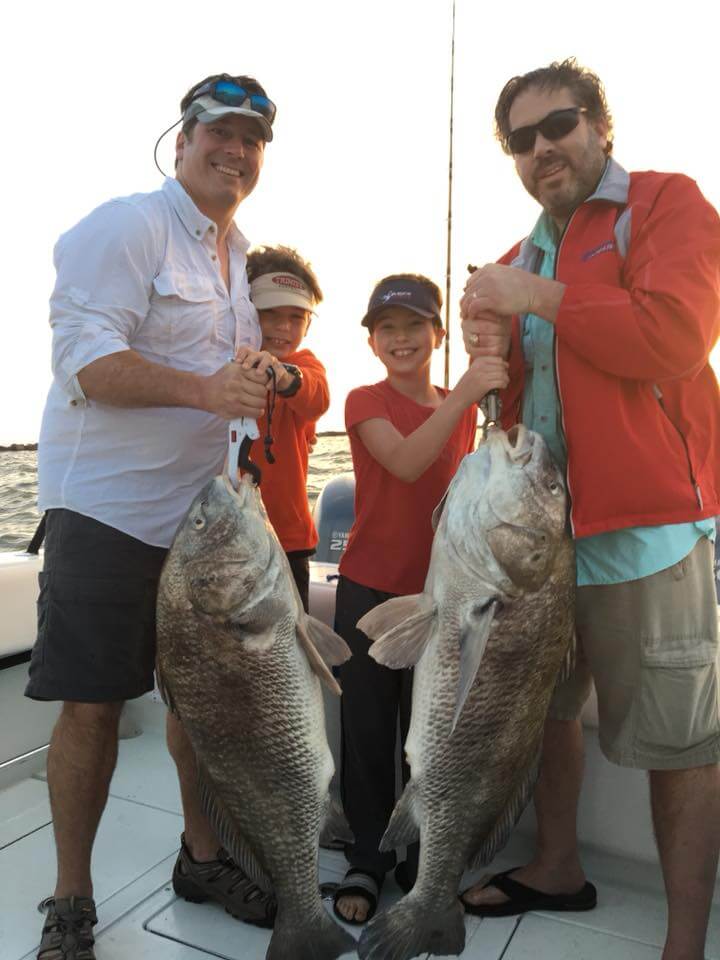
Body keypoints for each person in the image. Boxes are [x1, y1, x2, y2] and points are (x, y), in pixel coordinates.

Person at [459, 58, 720, 960]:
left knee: (680, 742)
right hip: (538, 543)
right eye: (520, 140)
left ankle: (684, 942)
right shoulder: (514, 257)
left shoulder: (666, 205)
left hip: (646, 538)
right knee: (546, 708)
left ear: (600, 126)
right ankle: (559, 865)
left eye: (558, 125)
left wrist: (534, 298)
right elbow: (515, 404)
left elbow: (675, 337)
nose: (542, 149)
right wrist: (489, 350)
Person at [26, 73, 281, 959]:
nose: (236, 150)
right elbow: (88, 362)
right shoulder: (126, 225)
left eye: (253, 139)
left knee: (203, 705)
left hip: (201, 521)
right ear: (181, 140)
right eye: (219, 132)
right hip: (107, 514)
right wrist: (206, 387)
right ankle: (71, 899)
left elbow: (229, 390)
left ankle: (200, 858)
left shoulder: (235, 253)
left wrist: (247, 412)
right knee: (92, 708)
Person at [332, 274, 509, 924]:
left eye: (414, 327)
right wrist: (464, 393)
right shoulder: (362, 399)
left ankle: (421, 853)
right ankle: (367, 857)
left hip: (442, 599)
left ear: (438, 335)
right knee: (369, 730)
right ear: (373, 341)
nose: (401, 339)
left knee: (435, 736)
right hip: (368, 589)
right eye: (388, 329)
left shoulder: (464, 407)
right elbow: (405, 462)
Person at [245, 245, 329, 611]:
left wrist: (283, 376)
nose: (283, 327)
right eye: (269, 314)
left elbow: (316, 396)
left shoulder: (305, 364)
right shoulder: (220, 365)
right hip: (229, 541)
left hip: (288, 541)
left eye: (296, 317)